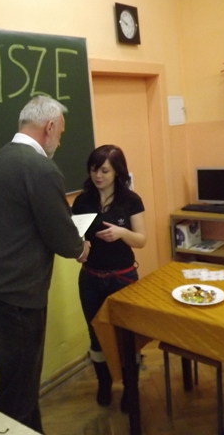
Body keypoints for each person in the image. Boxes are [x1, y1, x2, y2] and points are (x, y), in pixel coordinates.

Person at [0, 95, 90, 433]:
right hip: (17, 293)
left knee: (15, 379)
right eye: (61, 134)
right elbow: (62, 236)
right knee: (17, 392)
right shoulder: (40, 168)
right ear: (49, 127)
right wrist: (81, 247)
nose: (60, 142)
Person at [71, 145, 146, 410]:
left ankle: (130, 389)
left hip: (123, 279)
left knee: (127, 337)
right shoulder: (82, 202)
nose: (98, 176)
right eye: (94, 170)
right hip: (91, 279)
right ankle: (104, 384)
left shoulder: (131, 200)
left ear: (117, 172)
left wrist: (121, 233)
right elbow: (75, 239)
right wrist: (79, 249)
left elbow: (141, 240)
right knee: (96, 336)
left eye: (104, 170)